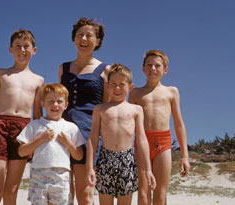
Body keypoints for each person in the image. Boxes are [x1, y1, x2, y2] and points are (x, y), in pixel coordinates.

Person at [0, 29, 44, 205]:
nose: (22, 50)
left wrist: (36, 142)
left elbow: (37, 114)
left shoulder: (38, 80)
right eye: (17, 46)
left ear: (34, 50)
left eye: (26, 46)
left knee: (11, 190)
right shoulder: (0, 74)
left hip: (23, 130)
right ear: (10, 50)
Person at [86, 64, 156, 205]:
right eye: (114, 84)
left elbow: (142, 140)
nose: (117, 88)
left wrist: (148, 170)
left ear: (130, 87)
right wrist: (89, 167)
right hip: (105, 160)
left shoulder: (136, 110)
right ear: (107, 85)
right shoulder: (100, 109)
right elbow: (93, 139)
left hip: (127, 161)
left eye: (122, 85)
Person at [58, 17, 110, 204]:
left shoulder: (106, 70)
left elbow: (107, 108)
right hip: (62, 133)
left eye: (89, 35)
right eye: (80, 35)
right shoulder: (63, 68)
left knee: (85, 194)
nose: (84, 39)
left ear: (97, 41)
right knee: (62, 194)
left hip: (89, 134)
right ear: (74, 39)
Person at [129, 50, 190, 205]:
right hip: (141, 143)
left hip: (163, 142)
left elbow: (179, 123)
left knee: (160, 194)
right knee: (143, 192)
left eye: (157, 66)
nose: (153, 69)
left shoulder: (172, 92)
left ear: (165, 70)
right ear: (143, 69)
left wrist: (185, 156)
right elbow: (128, 122)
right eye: (149, 65)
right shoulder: (135, 93)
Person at [17, 83, 86, 205]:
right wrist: (40, 139)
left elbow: (79, 156)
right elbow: (21, 151)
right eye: (50, 101)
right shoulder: (35, 125)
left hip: (61, 175)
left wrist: (68, 143)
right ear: (42, 103)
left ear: (66, 105)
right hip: (38, 173)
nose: (55, 105)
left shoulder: (71, 127)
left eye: (59, 101)